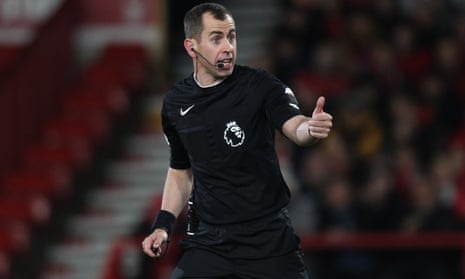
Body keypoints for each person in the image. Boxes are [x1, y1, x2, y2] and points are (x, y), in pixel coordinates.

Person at [142, 3, 333, 278]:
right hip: (210, 244)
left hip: (267, 241)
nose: (228, 46)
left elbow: (294, 126)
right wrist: (163, 224)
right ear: (191, 47)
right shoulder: (175, 103)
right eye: (217, 38)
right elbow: (181, 169)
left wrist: (310, 129)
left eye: (231, 37)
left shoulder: (260, 85)